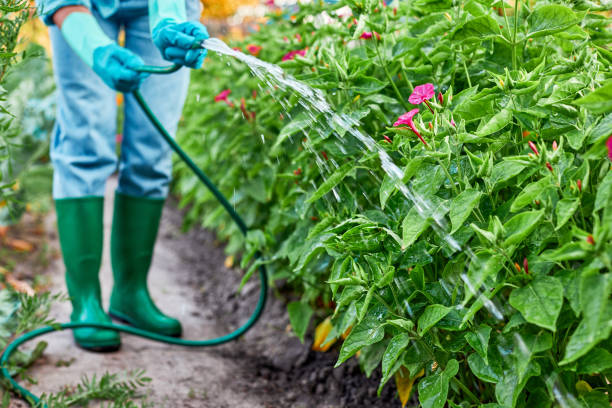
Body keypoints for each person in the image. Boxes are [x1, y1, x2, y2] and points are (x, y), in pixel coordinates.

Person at [36, 0, 209, 351]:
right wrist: (94, 48)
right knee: (84, 146)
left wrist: (169, 20)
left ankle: (131, 294)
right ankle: (85, 303)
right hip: (83, 8)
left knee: (153, 149)